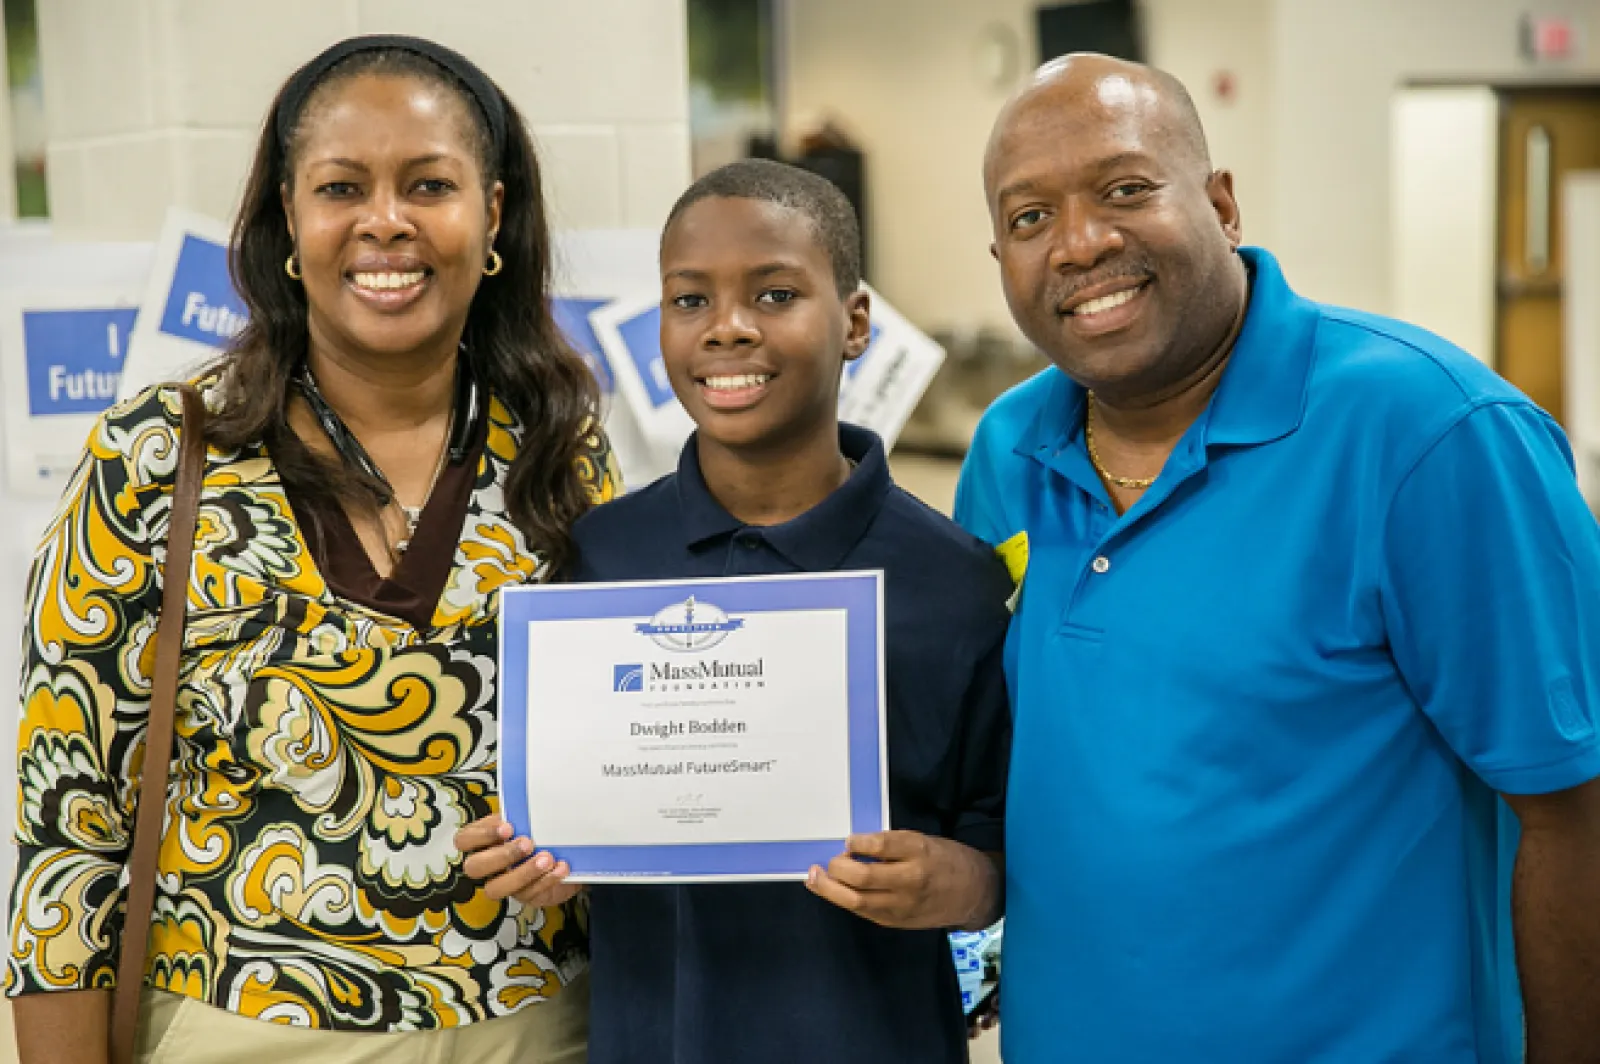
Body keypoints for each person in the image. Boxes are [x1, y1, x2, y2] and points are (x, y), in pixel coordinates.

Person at [956, 52, 1600, 1063]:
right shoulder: (1005, 453)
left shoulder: (1429, 433)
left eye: (1125, 189)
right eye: (1030, 218)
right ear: (998, 256)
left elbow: (1573, 807)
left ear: (1220, 204)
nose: (1079, 242)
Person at [6, 35, 617, 1064]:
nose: (386, 221)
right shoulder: (161, 455)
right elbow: (68, 820)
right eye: (342, 187)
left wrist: (598, 844)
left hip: (535, 1029)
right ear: (289, 219)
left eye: (429, 184)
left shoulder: (561, 451)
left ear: (495, 215)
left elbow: (618, 762)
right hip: (236, 1032)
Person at [454, 158, 1012, 1063]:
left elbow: (1001, 836)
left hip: (876, 1036)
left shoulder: (955, 583)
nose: (728, 329)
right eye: (690, 301)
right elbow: (567, 812)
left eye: (777, 293)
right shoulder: (598, 561)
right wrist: (535, 855)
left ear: (855, 322)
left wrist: (970, 883)